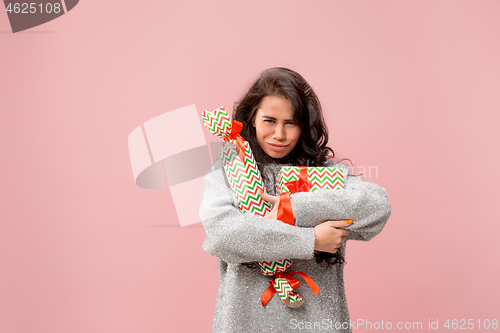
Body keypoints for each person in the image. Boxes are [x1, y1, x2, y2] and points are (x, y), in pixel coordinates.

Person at [199, 67, 392, 332]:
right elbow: (223, 234)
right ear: (252, 119)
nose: (279, 134)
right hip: (244, 323)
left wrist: (294, 208)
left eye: (290, 123)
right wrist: (311, 239)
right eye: (269, 120)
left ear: (304, 125)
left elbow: (377, 207)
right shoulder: (229, 172)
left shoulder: (327, 175)